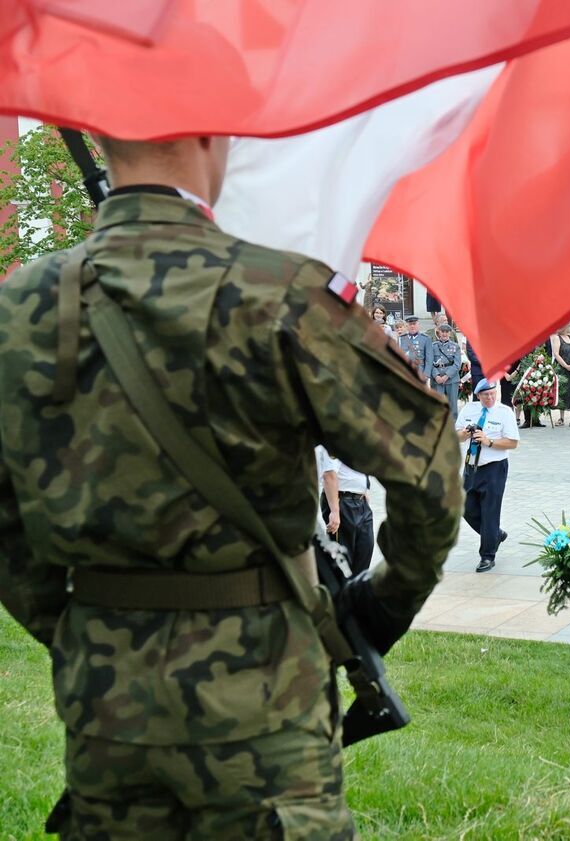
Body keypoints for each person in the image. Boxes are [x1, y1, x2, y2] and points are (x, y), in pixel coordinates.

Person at [0, 134, 461, 836]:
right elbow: (427, 466)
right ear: (211, 134)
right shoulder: (276, 291)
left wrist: (77, 626)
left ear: (100, 137)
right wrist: (377, 609)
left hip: (107, 712)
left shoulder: (18, 309)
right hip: (265, 705)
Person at [456, 379, 520, 572]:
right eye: (486, 395)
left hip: (494, 468)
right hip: (471, 466)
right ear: (478, 396)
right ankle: (495, 535)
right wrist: (466, 434)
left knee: (490, 510)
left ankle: (487, 556)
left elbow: (512, 442)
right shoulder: (469, 410)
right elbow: (455, 435)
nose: (490, 398)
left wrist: (488, 441)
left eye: (493, 393)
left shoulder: (504, 412)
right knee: (464, 507)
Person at [316, 444, 375, 576]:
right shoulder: (331, 440)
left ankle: (358, 593)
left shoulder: (351, 439)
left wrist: (362, 491)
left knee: (365, 551)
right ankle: (343, 594)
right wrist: (335, 511)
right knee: (343, 562)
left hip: (361, 501)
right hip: (341, 503)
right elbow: (329, 475)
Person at [425, 322, 462, 411]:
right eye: (442, 331)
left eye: (447, 331)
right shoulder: (433, 346)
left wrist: (446, 376)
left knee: (452, 405)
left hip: (451, 379)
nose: (445, 334)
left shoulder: (455, 346)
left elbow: (457, 364)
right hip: (437, 379)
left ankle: (452, 423)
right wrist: (436, 376)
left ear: (450, 333)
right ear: (439, 332)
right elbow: (429, 362)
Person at [550, 325, 570, 427]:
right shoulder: (557, 338)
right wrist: (566, 366)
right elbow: (556, 354)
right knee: (562, 392)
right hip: (562, 368)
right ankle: (561, 418)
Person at [397, 313, 428, 377]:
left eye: (414, 324)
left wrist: (426, 374)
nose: (412, 326)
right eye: (410, 324)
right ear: (406, 326)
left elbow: (429, 359)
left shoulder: (425, 339)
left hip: (420, 371)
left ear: (418, 325)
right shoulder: (401, 339)